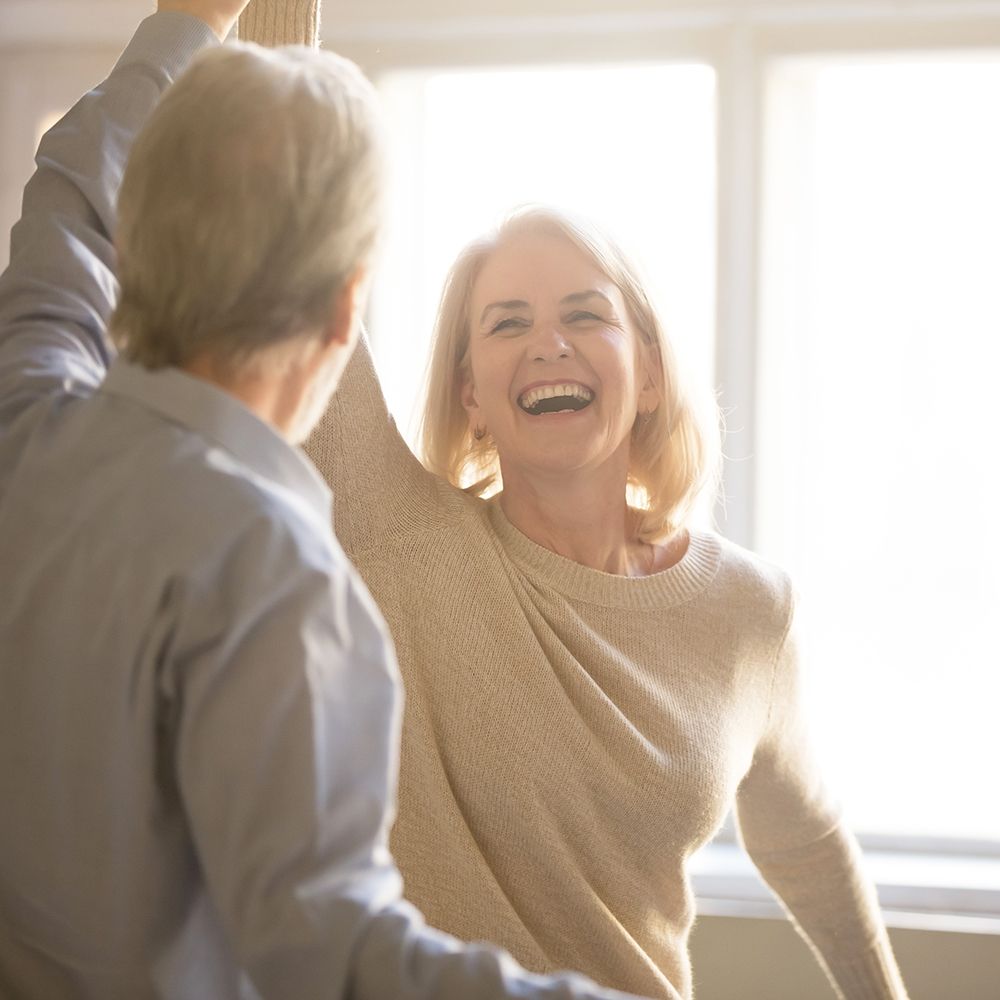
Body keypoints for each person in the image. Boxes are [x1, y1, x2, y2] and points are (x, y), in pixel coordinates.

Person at [0, 4, 648, 999]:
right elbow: (331, 957)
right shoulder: (276, 579)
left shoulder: (24, 422)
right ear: (348, 309)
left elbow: (67, 204)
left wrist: (186, 22)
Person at [303, 205, 912, 1000]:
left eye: (585, 314)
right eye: (507, 324)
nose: (547, 344)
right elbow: (275, 248)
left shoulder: (751, 610)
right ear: (471, 395)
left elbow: (808, 842)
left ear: (651, 374)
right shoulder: (398, 539)